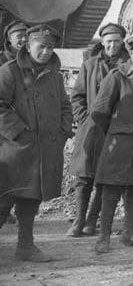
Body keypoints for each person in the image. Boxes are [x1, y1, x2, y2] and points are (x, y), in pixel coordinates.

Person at [0, 25, 73, 261]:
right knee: (5, 198)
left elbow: (65, 106)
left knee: (31, 199)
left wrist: (63, 132)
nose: (46, 52)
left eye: (50, 47)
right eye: (41, 46)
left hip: (45, 150)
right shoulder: (10, 72)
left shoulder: (55, 76)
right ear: (28, 46)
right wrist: (19, 133)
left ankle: (25, 247)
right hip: (15, 150)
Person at [91, 34, 133, 254]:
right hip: (120, 143)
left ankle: (130, 232)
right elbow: (99, 111)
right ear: (131, 52)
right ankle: (103, 236)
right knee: (111, 189)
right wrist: (117, 131)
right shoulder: (117, 76)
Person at [68, 22, 129, 237]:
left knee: (106, 176)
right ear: (102, 42)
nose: (112, 45)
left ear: (122, 42)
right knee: (84, 175)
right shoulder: (90, 64)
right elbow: (77, 96)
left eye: (116, 41)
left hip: (116, 130)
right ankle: (79, 219)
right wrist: (85, 119)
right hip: (92, 128)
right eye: (108, 41)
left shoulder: (129, 64)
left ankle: (92, 220)